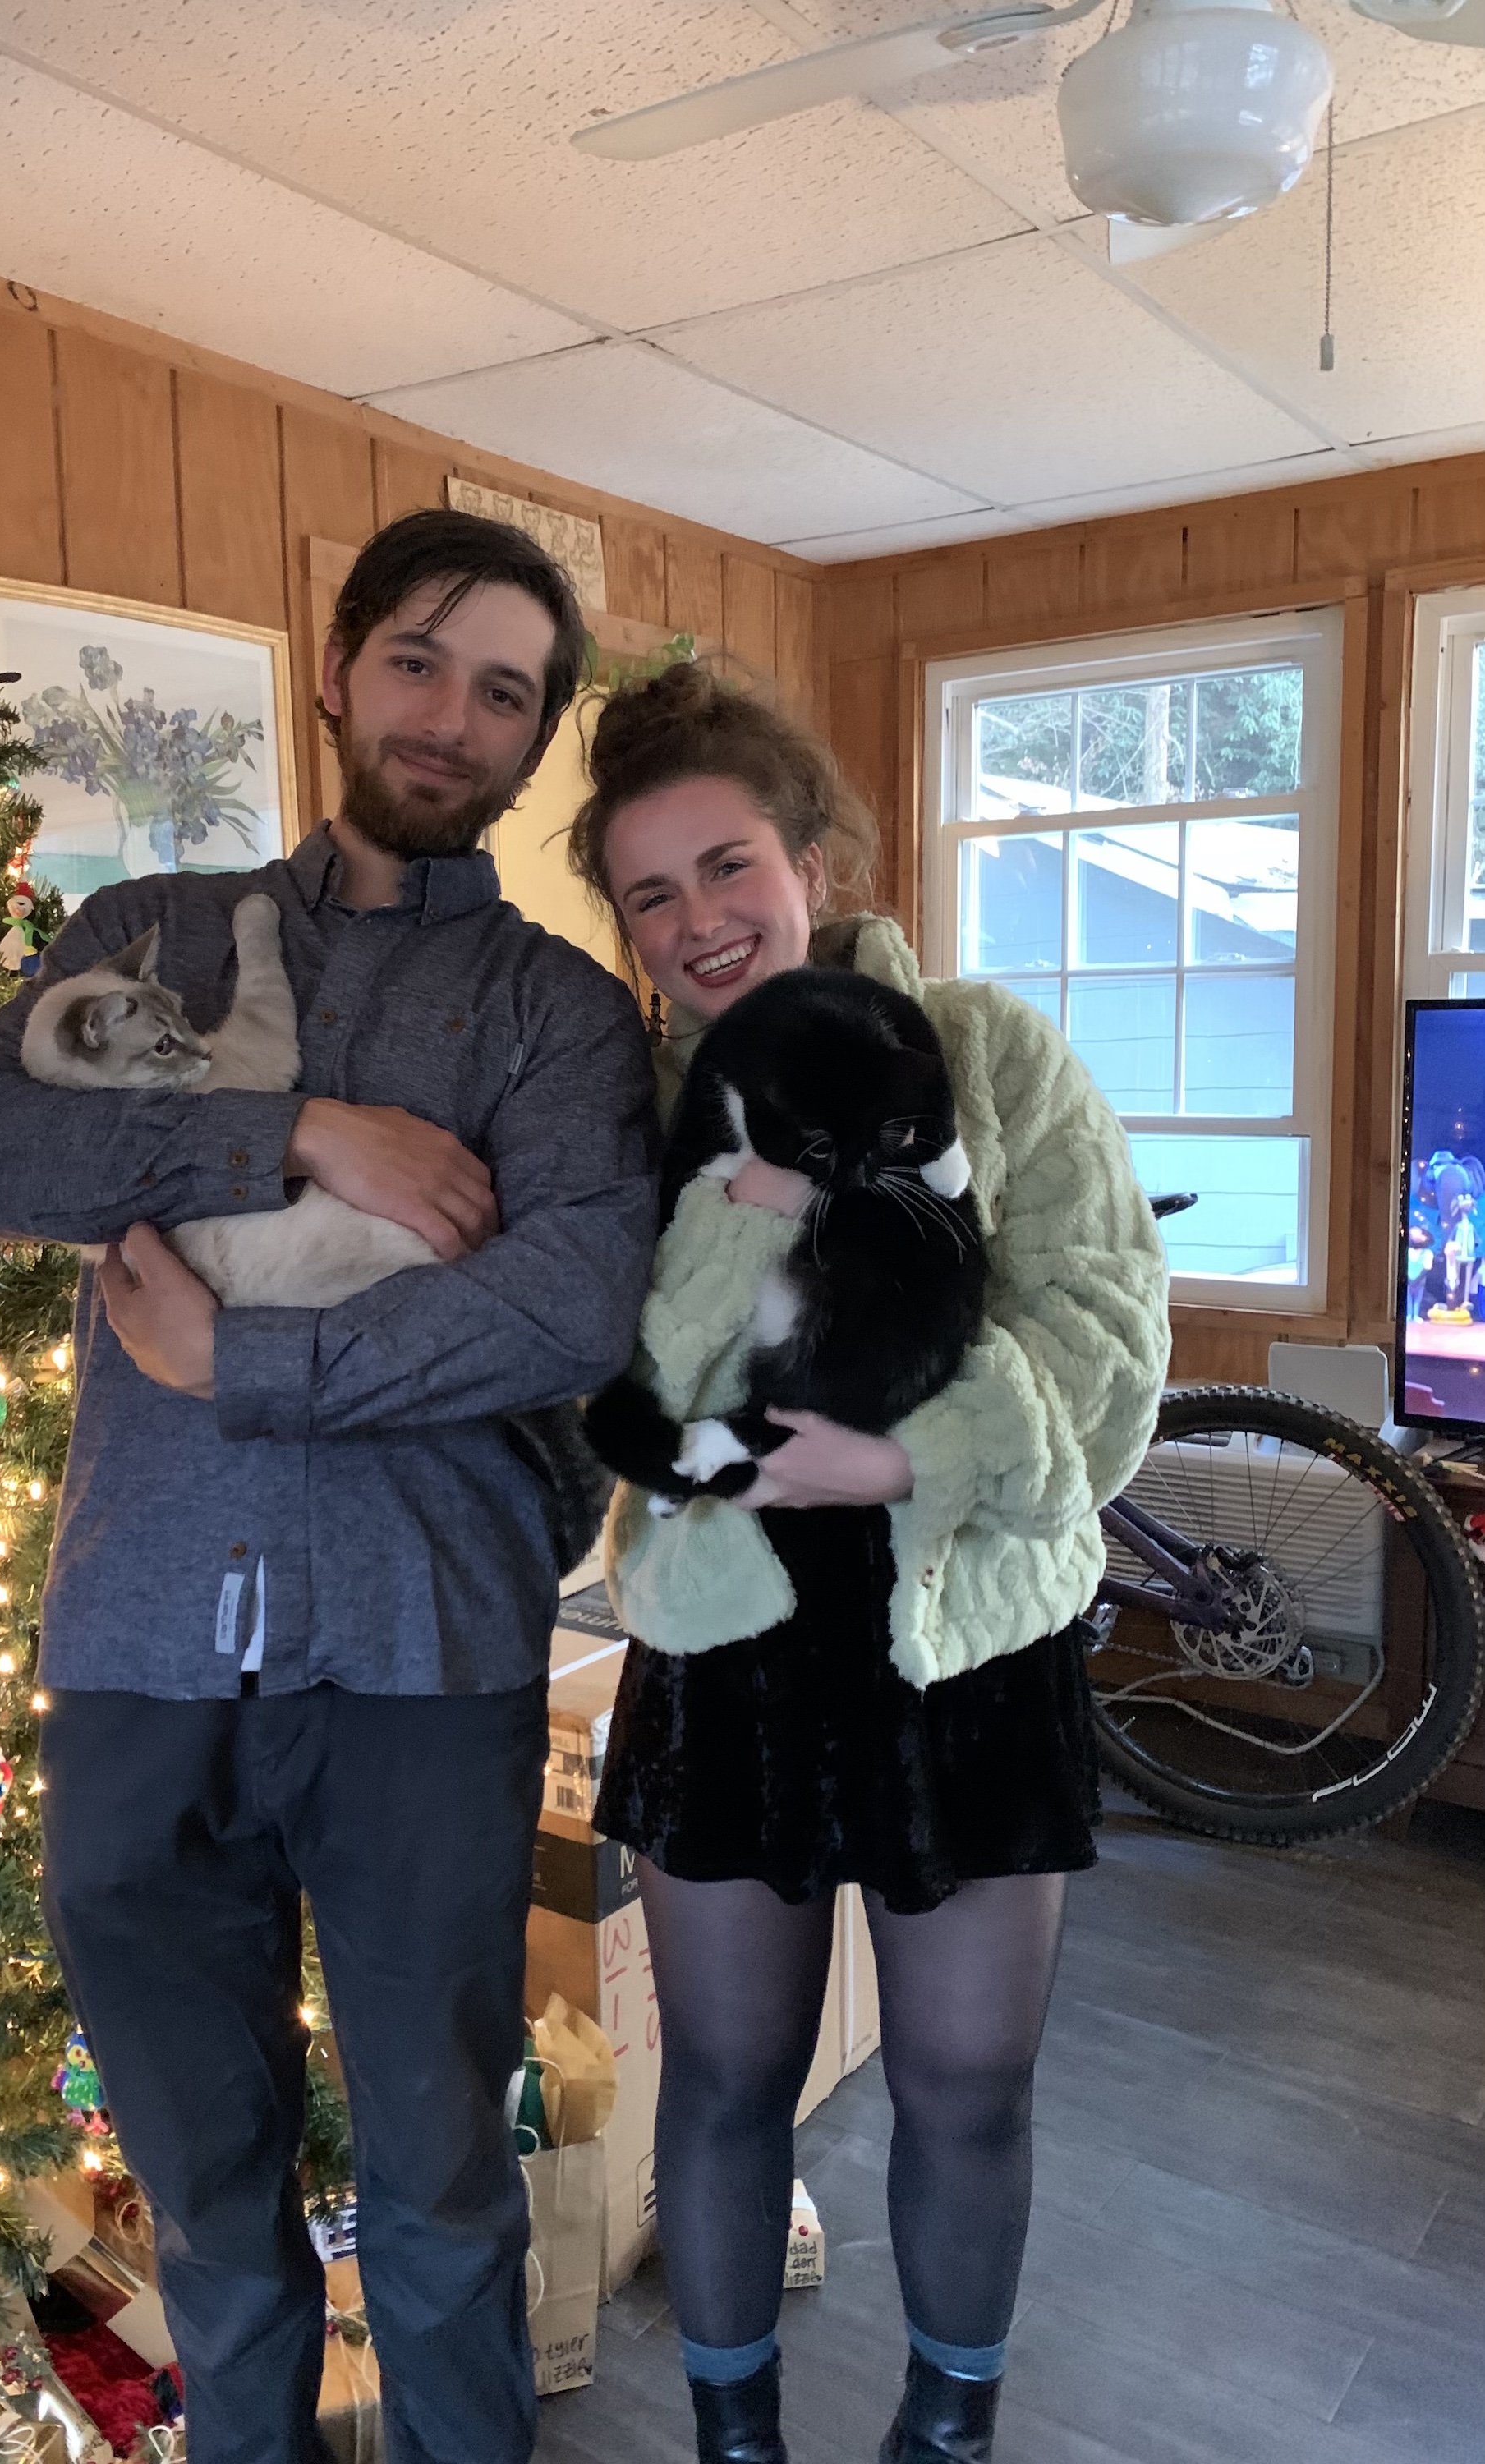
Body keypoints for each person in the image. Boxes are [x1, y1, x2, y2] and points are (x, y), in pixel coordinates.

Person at [0, 509, 658, 2464]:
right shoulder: (144, 940)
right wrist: (302, 1135)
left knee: (439, 2193)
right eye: (418, 660)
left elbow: (567, 1306)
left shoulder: (562, 1020)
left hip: (430, 1659)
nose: (450, 717)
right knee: (212, 2212)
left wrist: (239, 1359)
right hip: (145, 1649)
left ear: (534, 742)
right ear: (335, 670)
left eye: (505, 692)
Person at [566, 664, 1170, 2464]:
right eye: (649, 893)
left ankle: (947, 2434)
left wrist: (903, 1456)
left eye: (726, 865)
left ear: (813, 857)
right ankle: (736, 2442)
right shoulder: (626, 1109)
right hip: (722, 1662)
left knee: (968, 2088)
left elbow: (1111, 1342)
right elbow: (600, 1370)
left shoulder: (988, 1052)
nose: (698, 923)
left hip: (970, 1659)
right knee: (733, 2085)